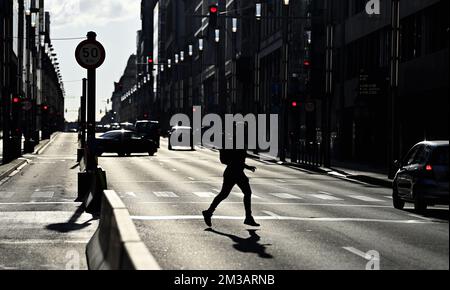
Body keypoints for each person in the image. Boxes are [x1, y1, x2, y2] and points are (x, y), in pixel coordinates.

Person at [202, 149, 260, 227]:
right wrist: (244, 166)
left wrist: (245, 166)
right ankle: (208, 212)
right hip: (233, 172)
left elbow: (239, 159)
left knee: (228, 194)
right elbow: (226, 160)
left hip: (237, 172)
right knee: (225, 194)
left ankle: (209, 212)